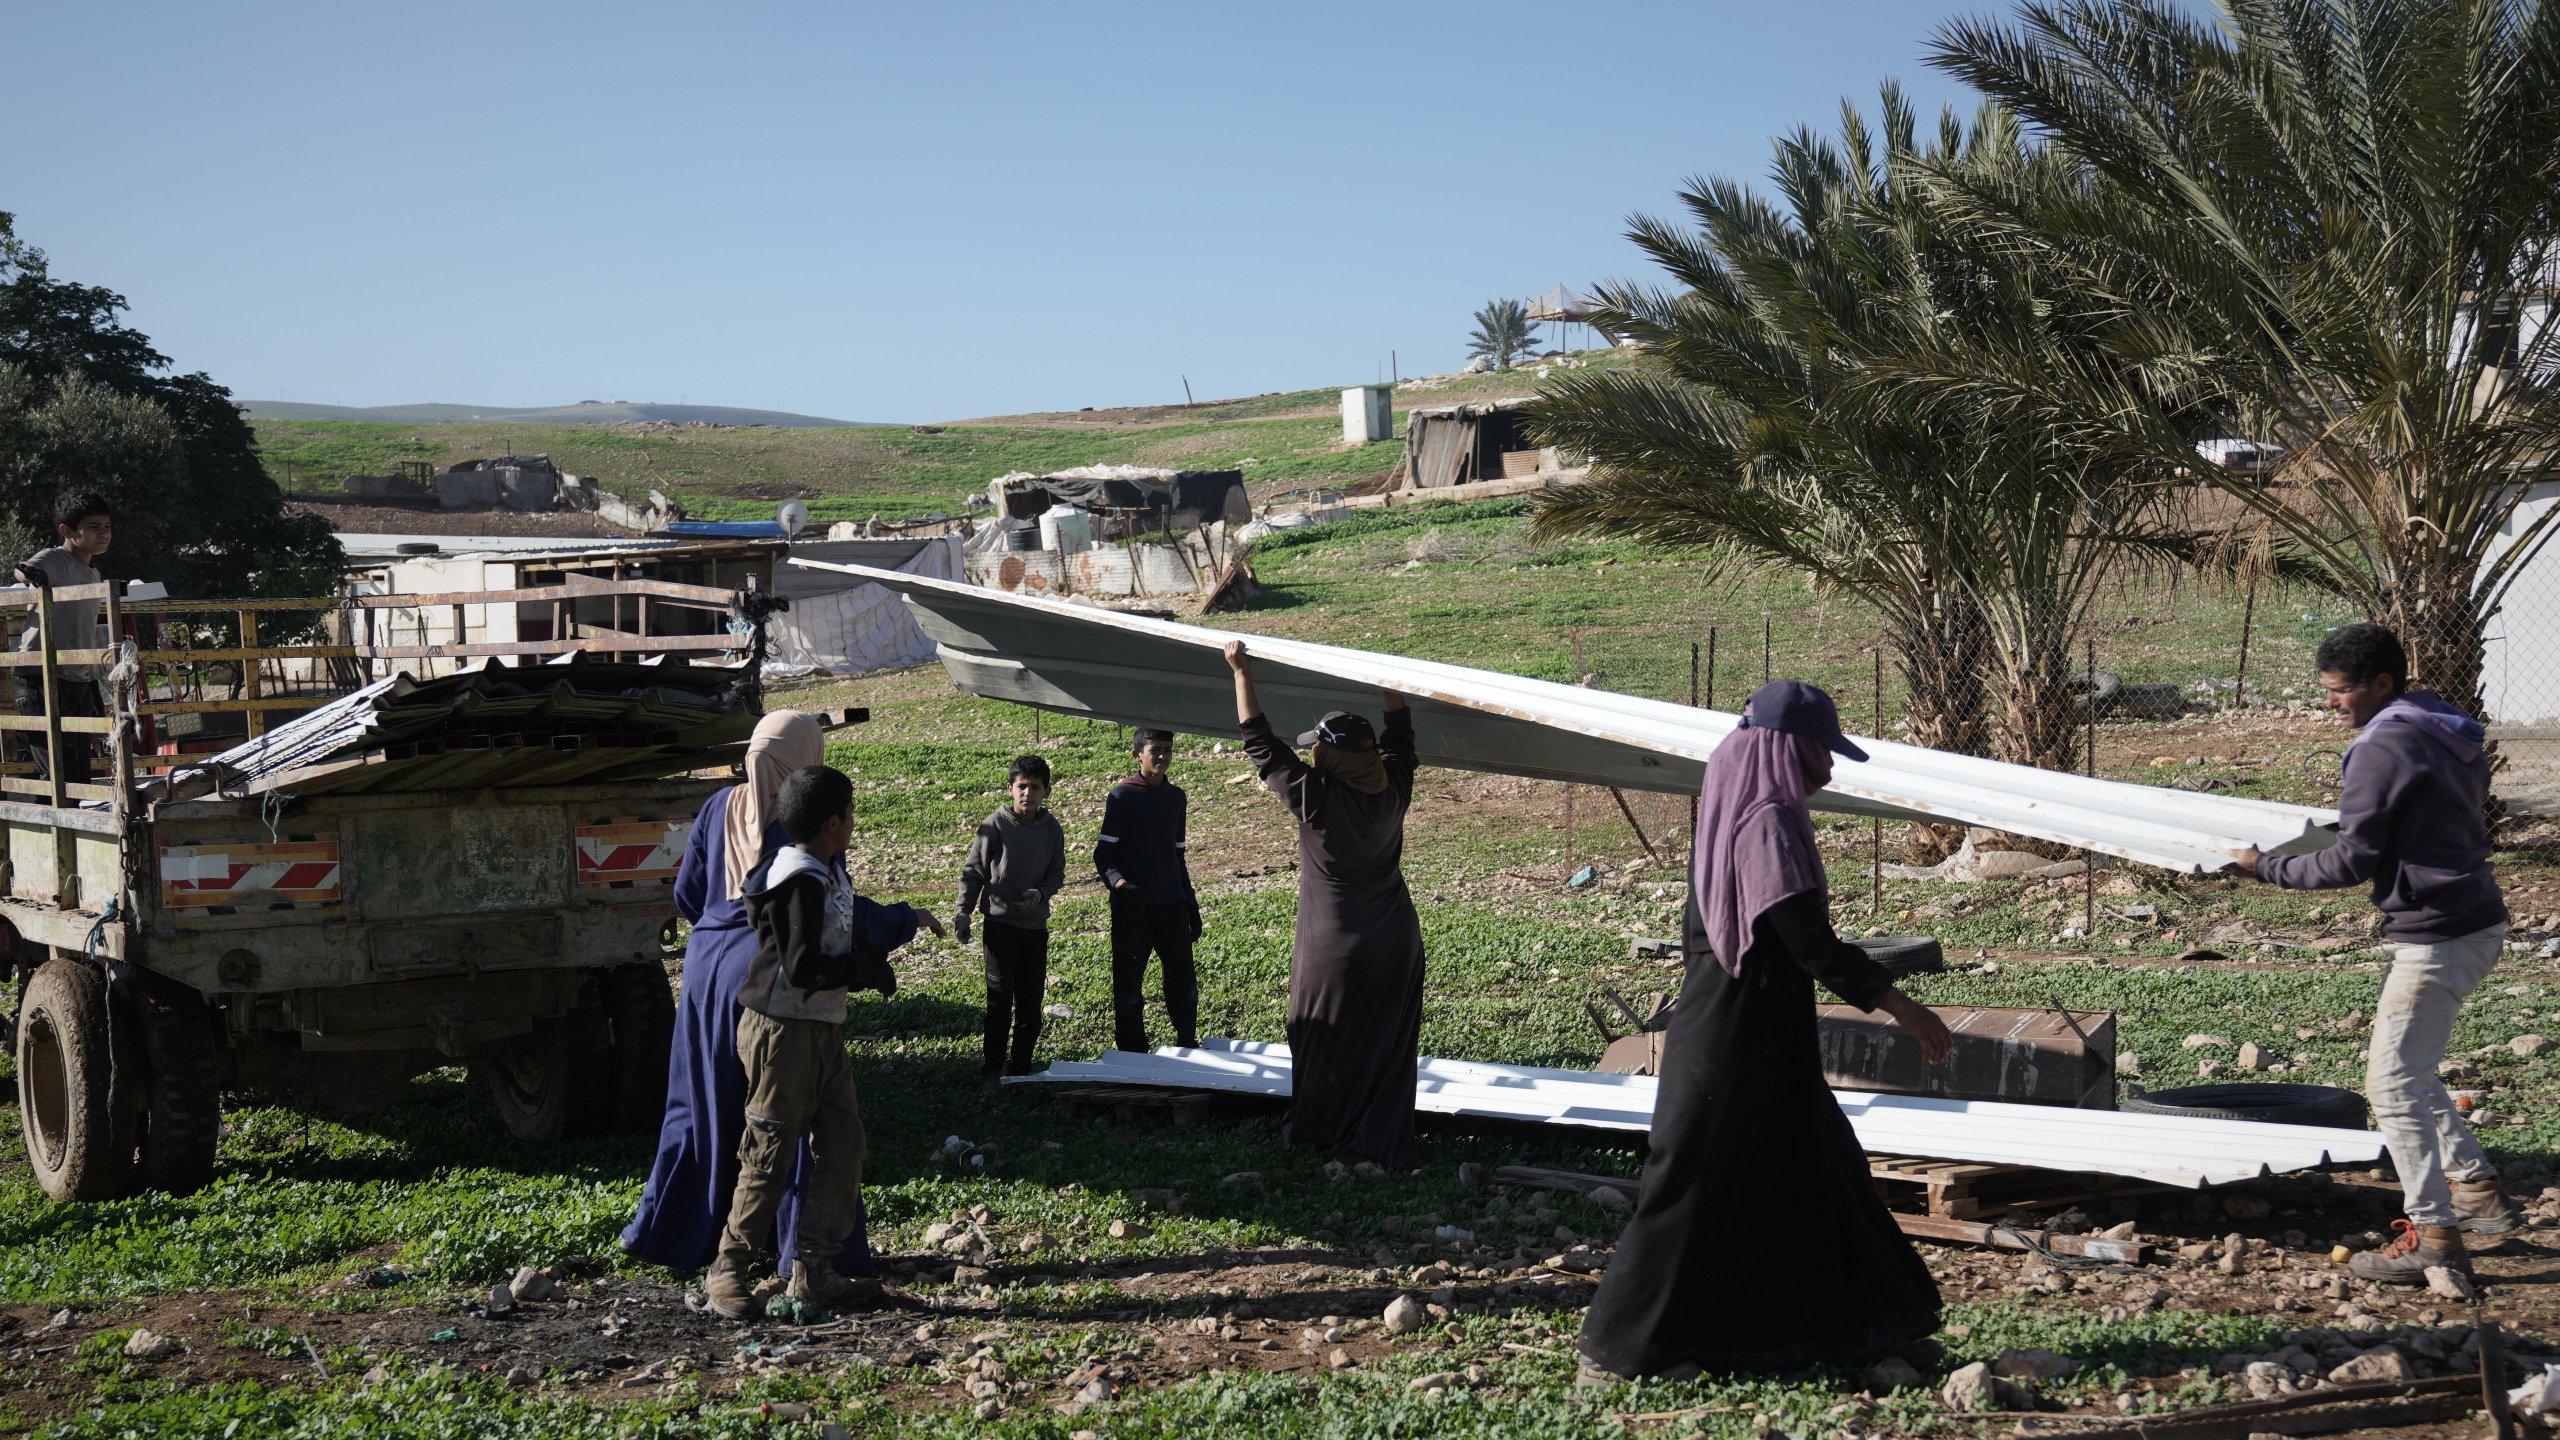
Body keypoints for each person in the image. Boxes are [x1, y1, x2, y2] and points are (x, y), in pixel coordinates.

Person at [1578, 680, 1951, 1381]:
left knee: (1818, 1169)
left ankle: (1864, 1330)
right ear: (1785, 748)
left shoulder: (1738, 807)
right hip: (1732, 1032)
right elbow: (1811, 943)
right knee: (1687, 1181)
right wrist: (1907, 1008)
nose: (1830, 768)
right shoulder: (1767, 821)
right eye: (1822, 751)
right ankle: (1615, 1351)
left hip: (1760, 1025)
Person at [2230, 622, 2517, 1283]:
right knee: (2411, 1068)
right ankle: (2476, 1188)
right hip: (2475, 916)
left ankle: (2436, 1236)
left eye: (2337, 692)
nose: (2330, 704)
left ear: (2380, 684)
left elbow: (2350, 862)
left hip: (2436, 934)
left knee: (2390, 1085)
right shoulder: (2440, 718)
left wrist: (2261, 867)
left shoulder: (2381, 746)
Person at [624, 712, 873, 1282]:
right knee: (788, 1120)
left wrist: (718, 923)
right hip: (771, 979)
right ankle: (792, 1257)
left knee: (704, 1106)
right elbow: (835, 911)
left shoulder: (719, 806)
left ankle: (685, 1235)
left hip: (706, 969)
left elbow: (687, 893)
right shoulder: (806, 818)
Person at [707, 763, 940, 1317]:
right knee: (769, 1152)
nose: (854, 824)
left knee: (843, 1143)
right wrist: (864, 970)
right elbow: (803, 967)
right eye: (851, 815)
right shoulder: (799, 880)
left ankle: (813, 1269)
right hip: (781, 1032)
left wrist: (897, 930)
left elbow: (848, 924)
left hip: (819, 1030)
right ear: (835, 822)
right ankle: (728, 1271)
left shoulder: (823, 870)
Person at [1224, 640, 1428, 1170]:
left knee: (1318, 1034)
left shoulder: (1319, 799)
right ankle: (1379, 1138)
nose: (1311, 751)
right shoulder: (1392, 788)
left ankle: (1324, 1133)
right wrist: (1389, 673)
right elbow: (1400, 734)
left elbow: (1260, 743)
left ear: (1331, 755)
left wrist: (1241, 670)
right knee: (1385, 1046)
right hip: (1397, 941)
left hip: (1336, 946)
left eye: (1318, 745)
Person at [956, 754, 1067, 1097]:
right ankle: (992, 1072)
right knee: (999, 1002)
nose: (1028, 794)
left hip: (1035, 929)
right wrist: (963, 911)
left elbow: (1056, 872)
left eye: (1035, 787)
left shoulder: (1052, 828)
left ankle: (1020, 1071)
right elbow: (973, 871)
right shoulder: (995, 825)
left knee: (1031, 1005)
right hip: (1001, 928)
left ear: (1046, 791)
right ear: (1010, 789)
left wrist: (1041, 893)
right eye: (1022, 786)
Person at [1095, 726, 1200, 1052]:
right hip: (1133, 908)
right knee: (1129, 986)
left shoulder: (1176, 797)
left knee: (1183, 982)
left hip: (1171, 904)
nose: (1163, 757)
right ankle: (1133, 1054)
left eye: (1167, 750)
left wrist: (1190, 904)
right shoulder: (1122, 796)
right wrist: (1121, 885)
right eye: (1155, 750)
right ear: (1137, 754)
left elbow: (1178, 856)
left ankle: (1187, 1043)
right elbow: (1103, 853)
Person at [14, 490, 114, 784]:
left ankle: (65, 826)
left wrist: (92, 677)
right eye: (94, 526)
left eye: (107, 526)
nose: (104, 533)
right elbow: (23, 570)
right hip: (40, 676)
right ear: (67, 531)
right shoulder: (55, 559)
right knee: (58, 770)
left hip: (77, 677)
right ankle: (50, 828)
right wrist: (33, 576)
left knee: (80, 768)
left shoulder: (93, 574)